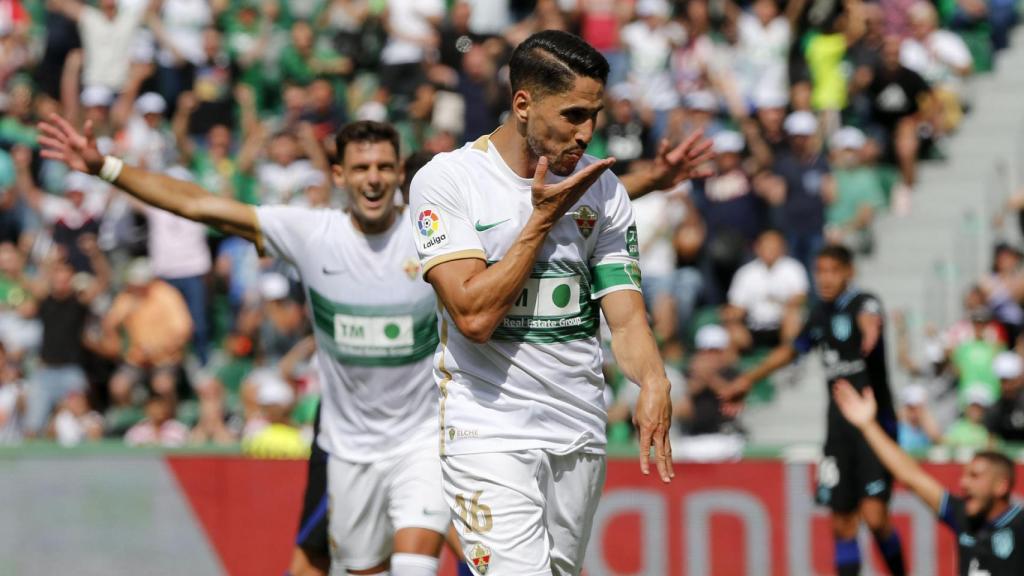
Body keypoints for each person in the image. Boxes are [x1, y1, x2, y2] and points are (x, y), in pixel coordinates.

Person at [408, 30, 711, 575]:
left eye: (594, 114)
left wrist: (656, 380)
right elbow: (473, 316)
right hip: (487, 426)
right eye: (572, 115)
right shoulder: (449, 181)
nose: (586, 132)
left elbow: (626, 317)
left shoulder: (604, 188)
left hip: (578, 427)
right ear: (523, 104)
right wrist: (542, 219)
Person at [721, 245, 905, 576]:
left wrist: (870, 331)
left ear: (849, 272)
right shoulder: (819, 313)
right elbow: (792, 350)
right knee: (841, 522)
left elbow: (870, 318)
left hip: (875, 428)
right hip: (839, 430)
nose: (825, 278)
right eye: (820, 271)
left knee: (876, 518)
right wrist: (749, 378)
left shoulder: (864, 302)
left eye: (832, 270)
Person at [834, 381, 1024, 575]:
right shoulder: (963, 517)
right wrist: (868, 426)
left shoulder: (1020, 525)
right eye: (965, 475)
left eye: (975, 476)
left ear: (1001, 486)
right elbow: (911, 476)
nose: (964, 483)